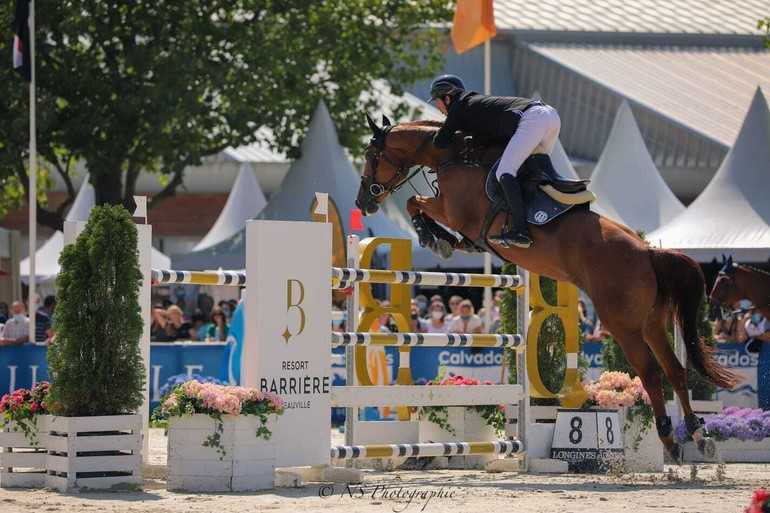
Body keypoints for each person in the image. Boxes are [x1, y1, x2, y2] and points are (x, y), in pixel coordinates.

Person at [428, 74, 562, 249]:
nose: (437, 107)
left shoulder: (459, 106)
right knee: (532, 172)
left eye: (436, 101)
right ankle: (540, 220)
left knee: (504, 172)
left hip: (533, 119)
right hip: (551, 117)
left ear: (447, 98)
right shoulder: (472, 104)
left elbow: (439, 142)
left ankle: (522, 231)